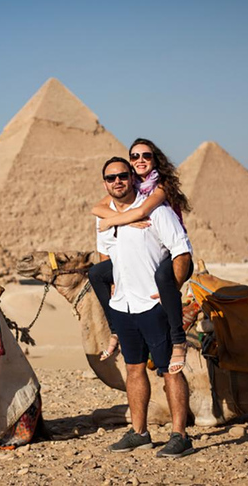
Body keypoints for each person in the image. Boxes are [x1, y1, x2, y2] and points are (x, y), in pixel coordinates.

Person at [96, 156, 194, 458]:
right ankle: (139, 432)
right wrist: (112, 288)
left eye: (123, 176)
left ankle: (180, 435)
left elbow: (182, 252)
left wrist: (169, 292)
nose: (117, 182)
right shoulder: (104, 217)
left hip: (151, 304)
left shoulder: (158, 211)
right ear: (105, 183)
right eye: (111, 178)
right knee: (133, 368)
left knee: (171, 370)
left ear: (132, 177)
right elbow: (104, 256)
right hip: (123, 305)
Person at [89, 138, 193, 374]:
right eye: (134, 156)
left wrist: (124, 219)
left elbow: (144, 210)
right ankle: (114, 328)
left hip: (173, 253)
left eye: (146, 156)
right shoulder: (130, 184)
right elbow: (98, 208)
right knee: (96, 272)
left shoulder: (161, 186)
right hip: (136, 246)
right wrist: (124, 219)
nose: (140, 160)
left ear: (155, 159)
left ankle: (178, 340)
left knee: (163, 279)